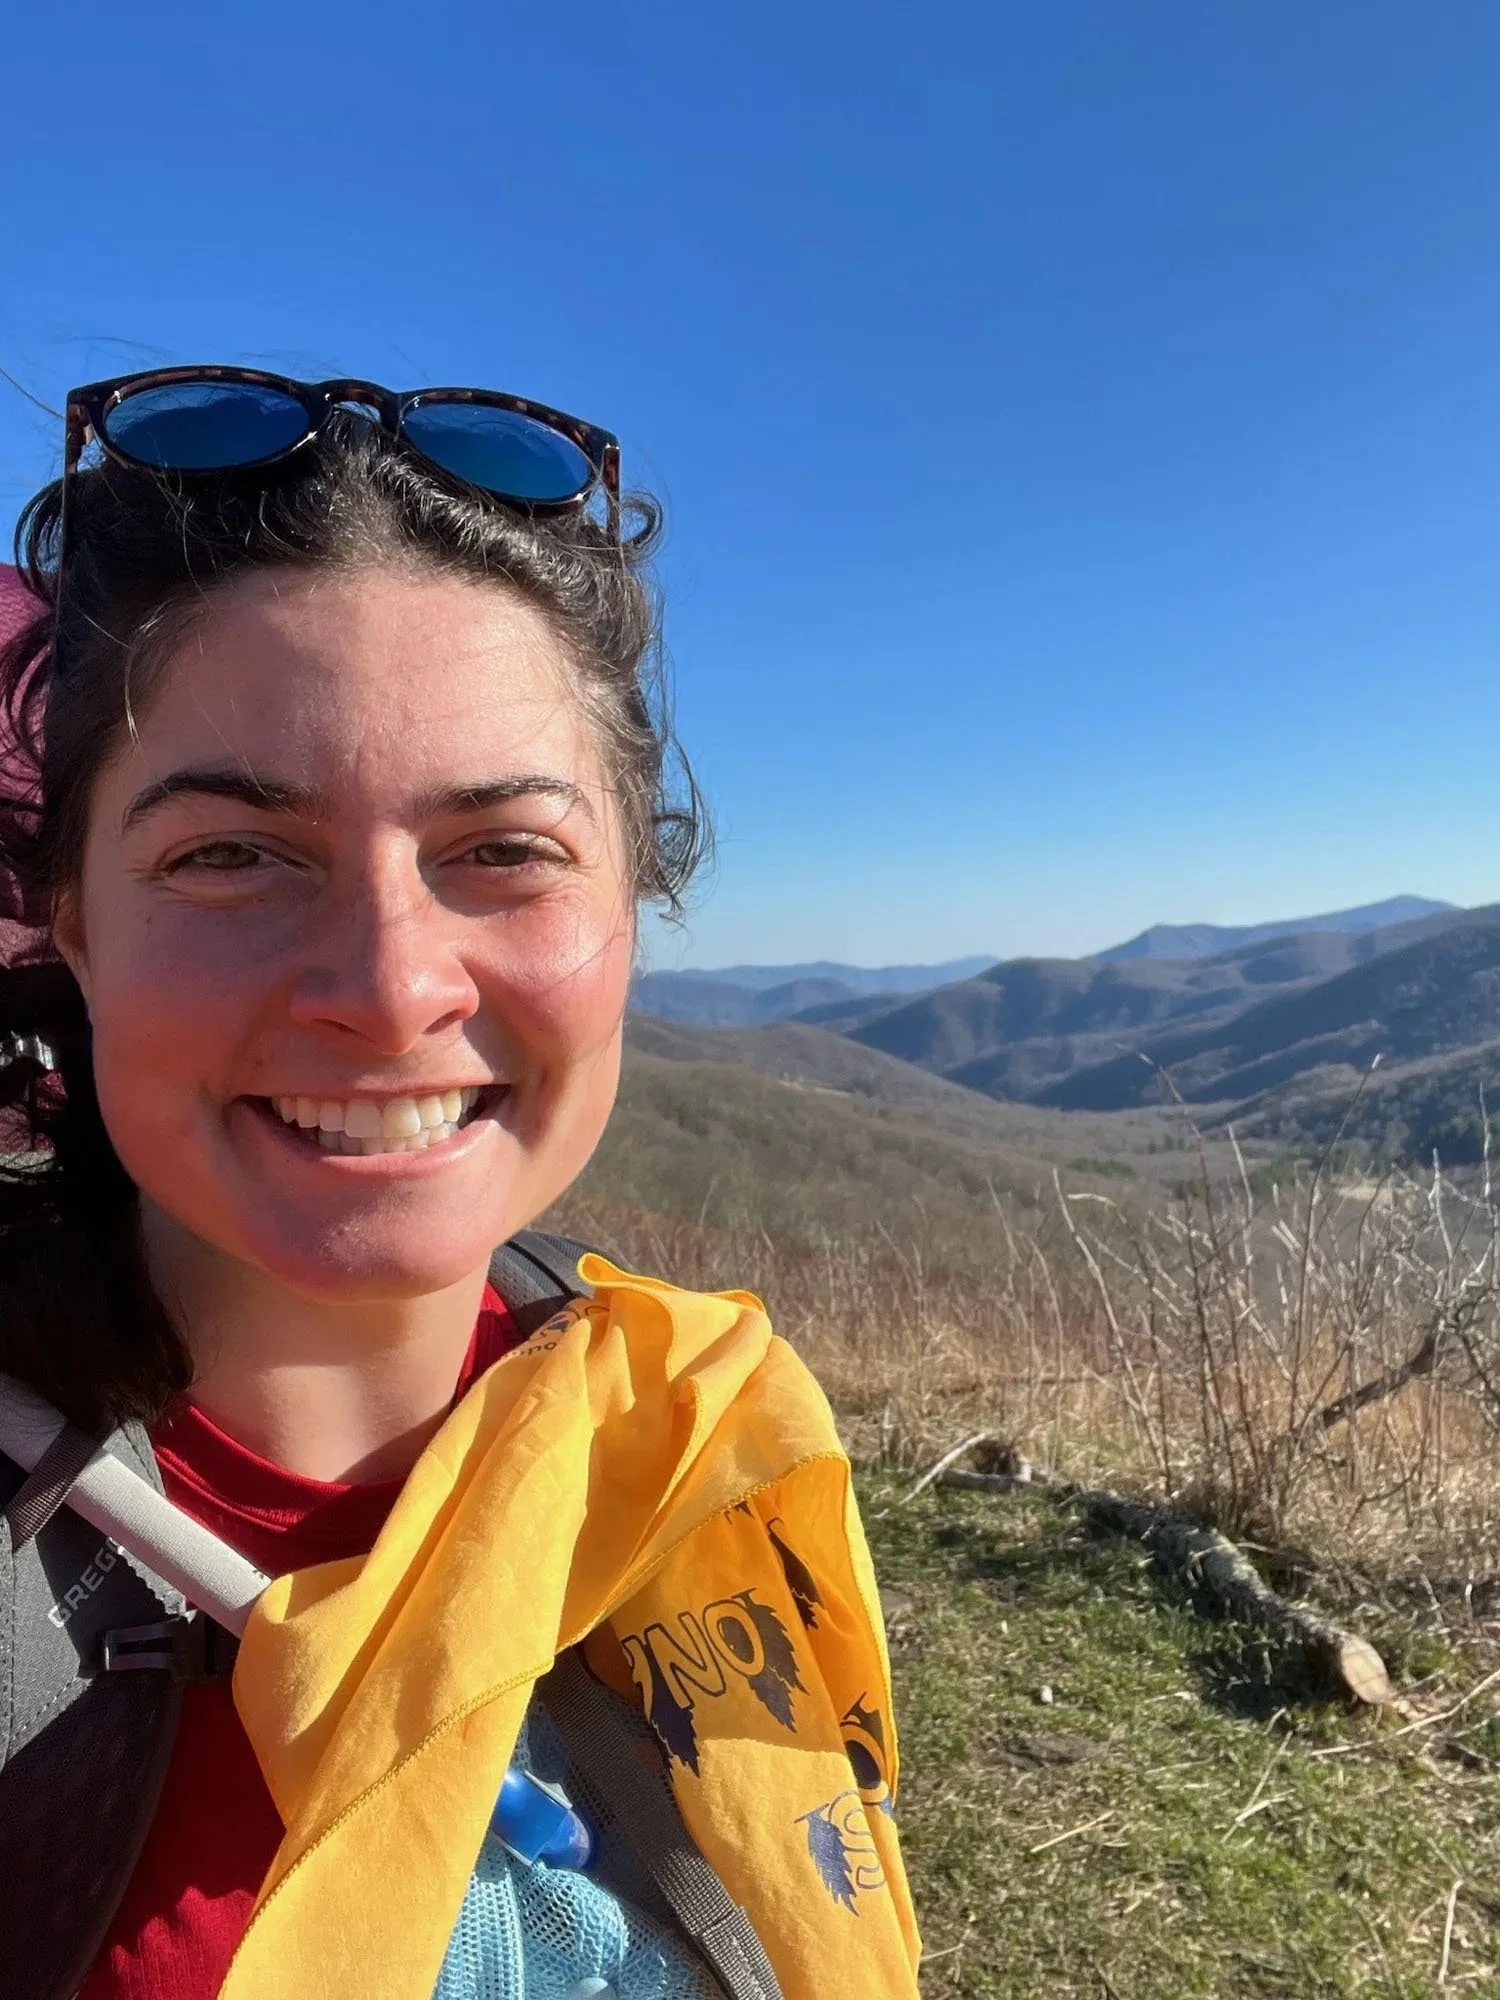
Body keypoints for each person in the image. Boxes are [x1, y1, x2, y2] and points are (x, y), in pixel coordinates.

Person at [0, 371, 920, 2000]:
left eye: (500, 850)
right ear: (73, 921)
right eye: (228, 852)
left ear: (633, 904)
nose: (387, 982)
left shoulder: (691, 1431)